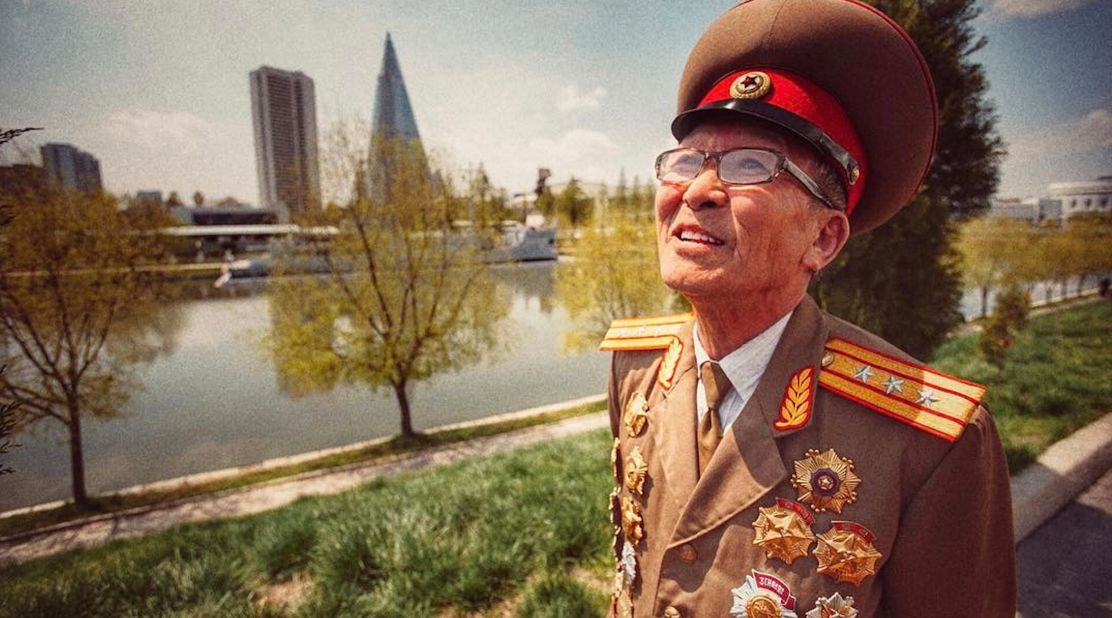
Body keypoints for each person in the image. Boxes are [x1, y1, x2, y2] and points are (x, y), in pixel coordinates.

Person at [599, 1, 1016, 616]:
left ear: (822, 238)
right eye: (688, 160)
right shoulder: (634, 366)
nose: (697, 190)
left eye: (750, 166)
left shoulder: (932, 444)